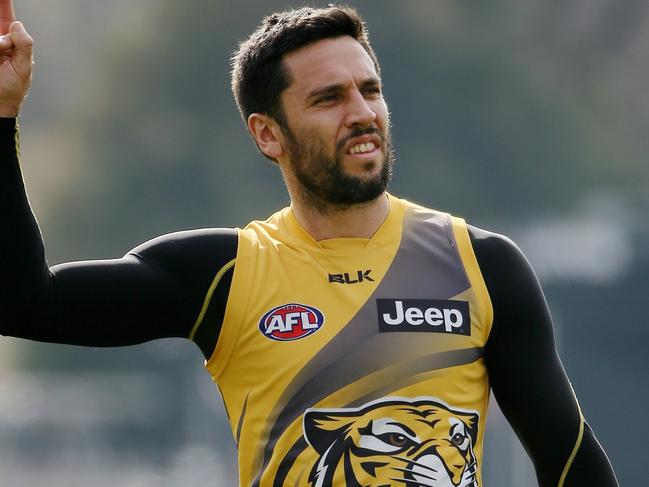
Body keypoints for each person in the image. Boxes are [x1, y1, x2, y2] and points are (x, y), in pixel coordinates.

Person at [0, 2, 619, 486]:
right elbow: (23, 302)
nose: (362, 113)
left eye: (369, 90)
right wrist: (2, 116)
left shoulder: (483, 264)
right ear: (268, 134)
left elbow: (569, 461)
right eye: (328, 98)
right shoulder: (225, 273)